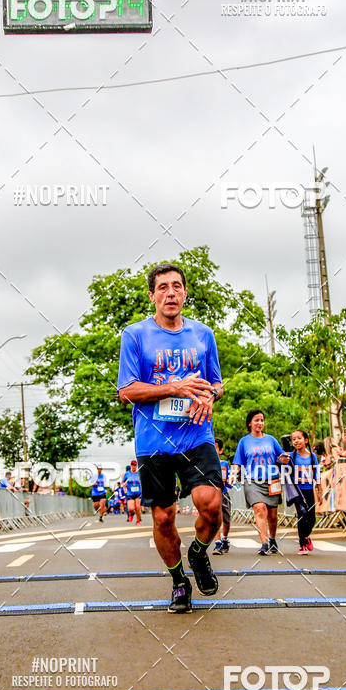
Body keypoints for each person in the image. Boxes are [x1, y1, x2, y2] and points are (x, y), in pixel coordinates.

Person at [117, 262, 223, 613]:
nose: (171, 292)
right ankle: (179, 581)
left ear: (185, 293)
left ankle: (198, 552)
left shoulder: (203, 334)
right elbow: (127, 391)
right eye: (162, 287)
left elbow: (216, 382)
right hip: (154, 440)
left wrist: (211, 395)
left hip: (196, 434)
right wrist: (173, 386)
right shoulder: (135, 335)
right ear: (152, 296)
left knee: (211, 505)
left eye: (176, 286)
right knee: (163, 517)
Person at [232, 410, 289, 555]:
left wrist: (284, 459)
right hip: (252, 481)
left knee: (273, 516)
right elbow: (237, 462)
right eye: (256, 420)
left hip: (272, 480)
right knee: (259, 509)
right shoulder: (244, 441)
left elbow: (280, 455)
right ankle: (264, 543)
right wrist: (232, 475)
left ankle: (272, 538)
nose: (260, 423)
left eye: (262, 420)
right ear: (250, 423)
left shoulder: (271, 439)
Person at [284, 430, 322, 555]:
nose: (296, 441)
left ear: (306, 440)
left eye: (299, 438)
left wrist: (319, 489)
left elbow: (317, 473)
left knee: (311, 518)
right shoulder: (292, 456)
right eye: (293, 439)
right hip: (297, 491)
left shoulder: (312, 456)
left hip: (309, 490)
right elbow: (283, 466)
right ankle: (302, 545)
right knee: (301, 516)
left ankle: (306, 536)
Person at [212, 438, 232, 555]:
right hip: (212, 495)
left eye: (215, 448)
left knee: (226, 519)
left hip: (224, 493)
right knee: (216, 519)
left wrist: (232, 479)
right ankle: (218, 543)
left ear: (220, 450)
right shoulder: (205, 464)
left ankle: (224, 538)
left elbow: (229, 483)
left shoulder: (224, 464)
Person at [122, 460, 142, 525]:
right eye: (132, 465)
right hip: (130, 493)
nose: (134, 467)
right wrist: (124, 485)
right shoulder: (127, 473)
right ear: (131, 466)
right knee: (130, 508)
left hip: (138, 493)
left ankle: (138, 521)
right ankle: (132, 513)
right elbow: (123, 482)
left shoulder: (138, 473)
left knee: (138, 507)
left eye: (135, 465)